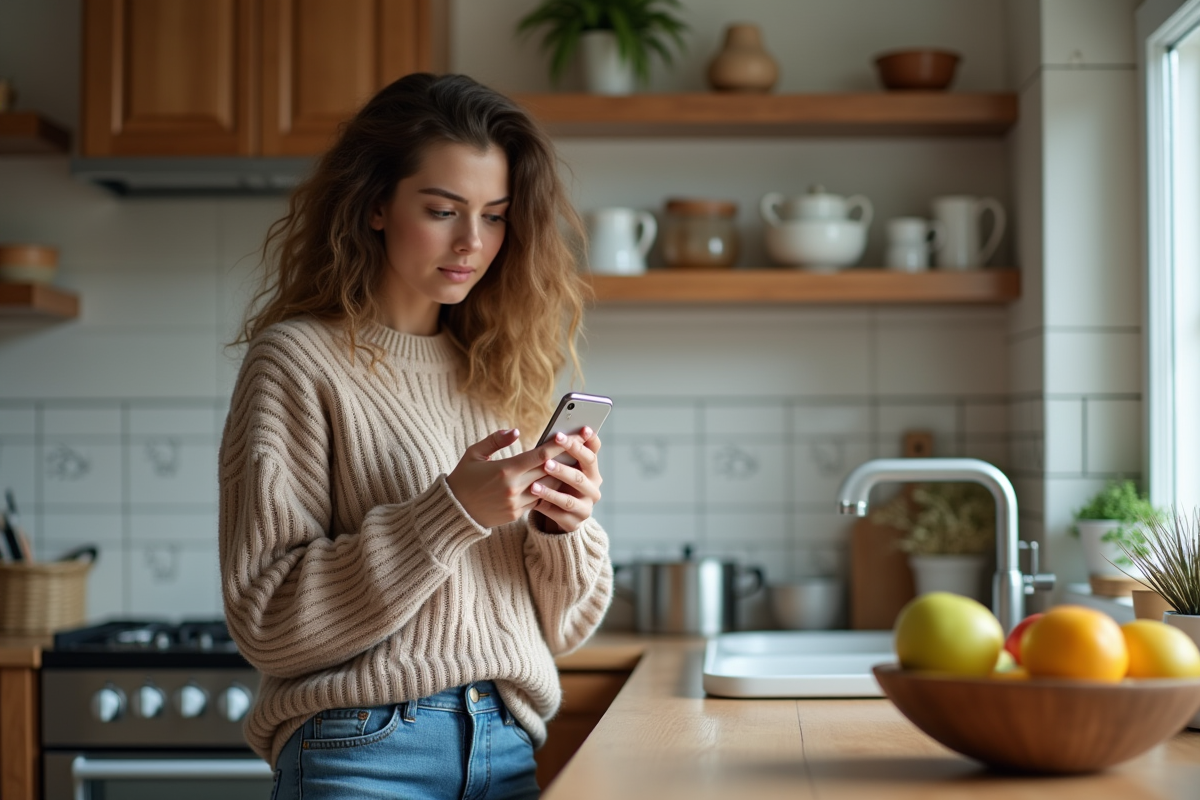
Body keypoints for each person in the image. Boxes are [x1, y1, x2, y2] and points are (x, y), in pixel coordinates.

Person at [218, 72, 612, 800]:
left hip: (504, 745)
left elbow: (567, 628)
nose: (472, 241)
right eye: (442, 210)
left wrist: (563, 528)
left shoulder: (497, 368)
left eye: (495, 216)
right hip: (364, 752)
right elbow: (267, 617)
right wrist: (451, 513)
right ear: (373, 204)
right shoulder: (298, 361)